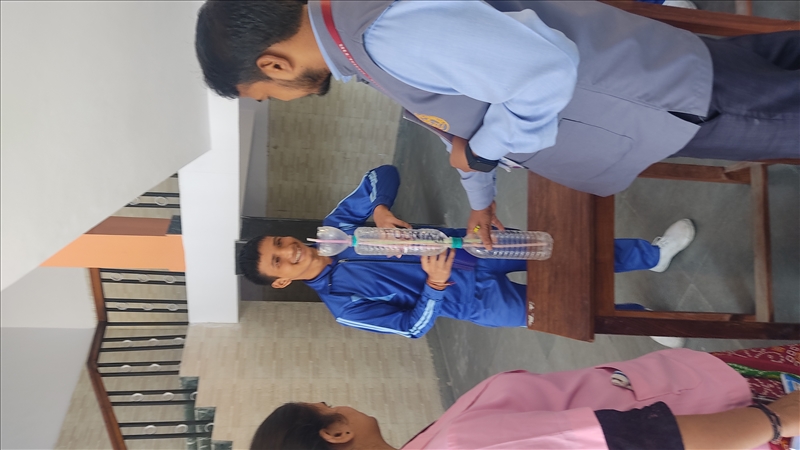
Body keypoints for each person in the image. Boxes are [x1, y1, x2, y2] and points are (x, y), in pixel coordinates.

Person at [195, 0, 799, 249]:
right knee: (780, 65)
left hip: (655, 101)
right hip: (656, 74)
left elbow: (543, 75)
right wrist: (479, 198)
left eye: (268, 95)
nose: (284, 99)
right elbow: (453, 120)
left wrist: (485, 154)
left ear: (273, 64)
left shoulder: (382, 36)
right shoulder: (360, 35)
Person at [238, 165, 695, 344]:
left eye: (279, 242)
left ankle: (652, 255)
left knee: (573, 254)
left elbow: (385, 173)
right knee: (567, 312)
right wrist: (435, 287)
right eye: (277, 261)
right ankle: (640, 319)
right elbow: (411, 327)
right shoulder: (343, 307)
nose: (288, 250)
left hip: (478, 246)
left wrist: (378, 211)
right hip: (473, 301)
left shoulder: (336, 227)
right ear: (281, 281)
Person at [249, 347, 800, 450]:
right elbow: (633, 438)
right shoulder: (459, 444)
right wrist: (774, 421)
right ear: (336, 431)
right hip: (725, 411)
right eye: (327, 405)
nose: (338, 401)